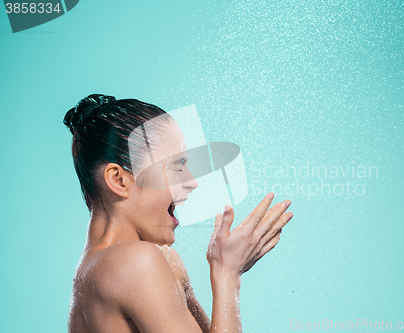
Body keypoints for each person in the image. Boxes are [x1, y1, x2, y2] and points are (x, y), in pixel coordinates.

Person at [64, 94, 293, 333]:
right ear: (119, 180)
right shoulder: (134, 262)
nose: (192, 182)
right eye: (176, 166)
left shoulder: (96, 268)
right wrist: (228, 275)